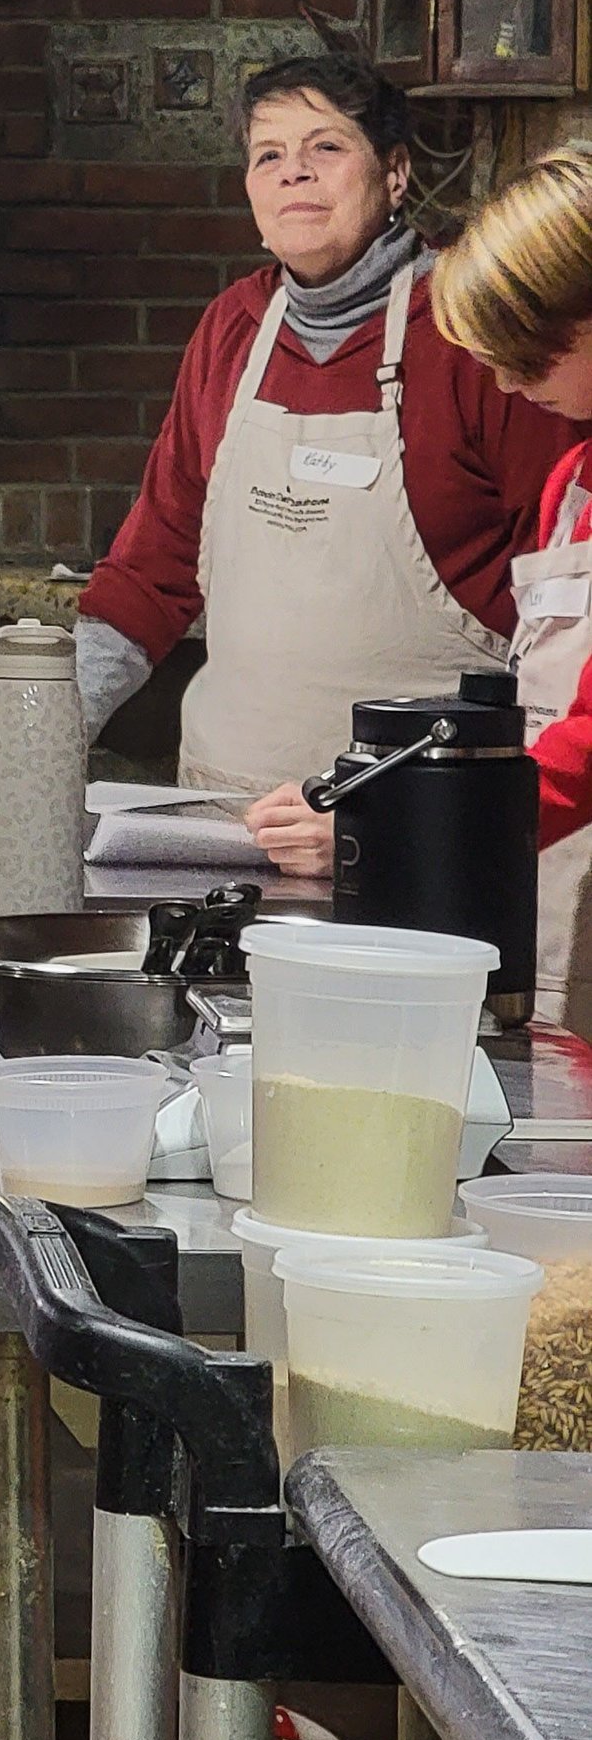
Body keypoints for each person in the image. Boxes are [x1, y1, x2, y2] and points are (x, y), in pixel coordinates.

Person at [77, 55, 581, 809]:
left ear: (397, 173)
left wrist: (474, 801)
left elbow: (558, 596)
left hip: (416, 810)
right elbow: (156, 561)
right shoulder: (231, 331)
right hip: (225, 806)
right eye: (268, 156)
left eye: (327, 148)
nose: (294, 174)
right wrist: (52, 713)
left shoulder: (472, 333)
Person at [255, 145, 592, 1034]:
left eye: (529, 354)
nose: (511, 383)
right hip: (555, 909)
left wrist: (412, 823)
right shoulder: (576, 483)